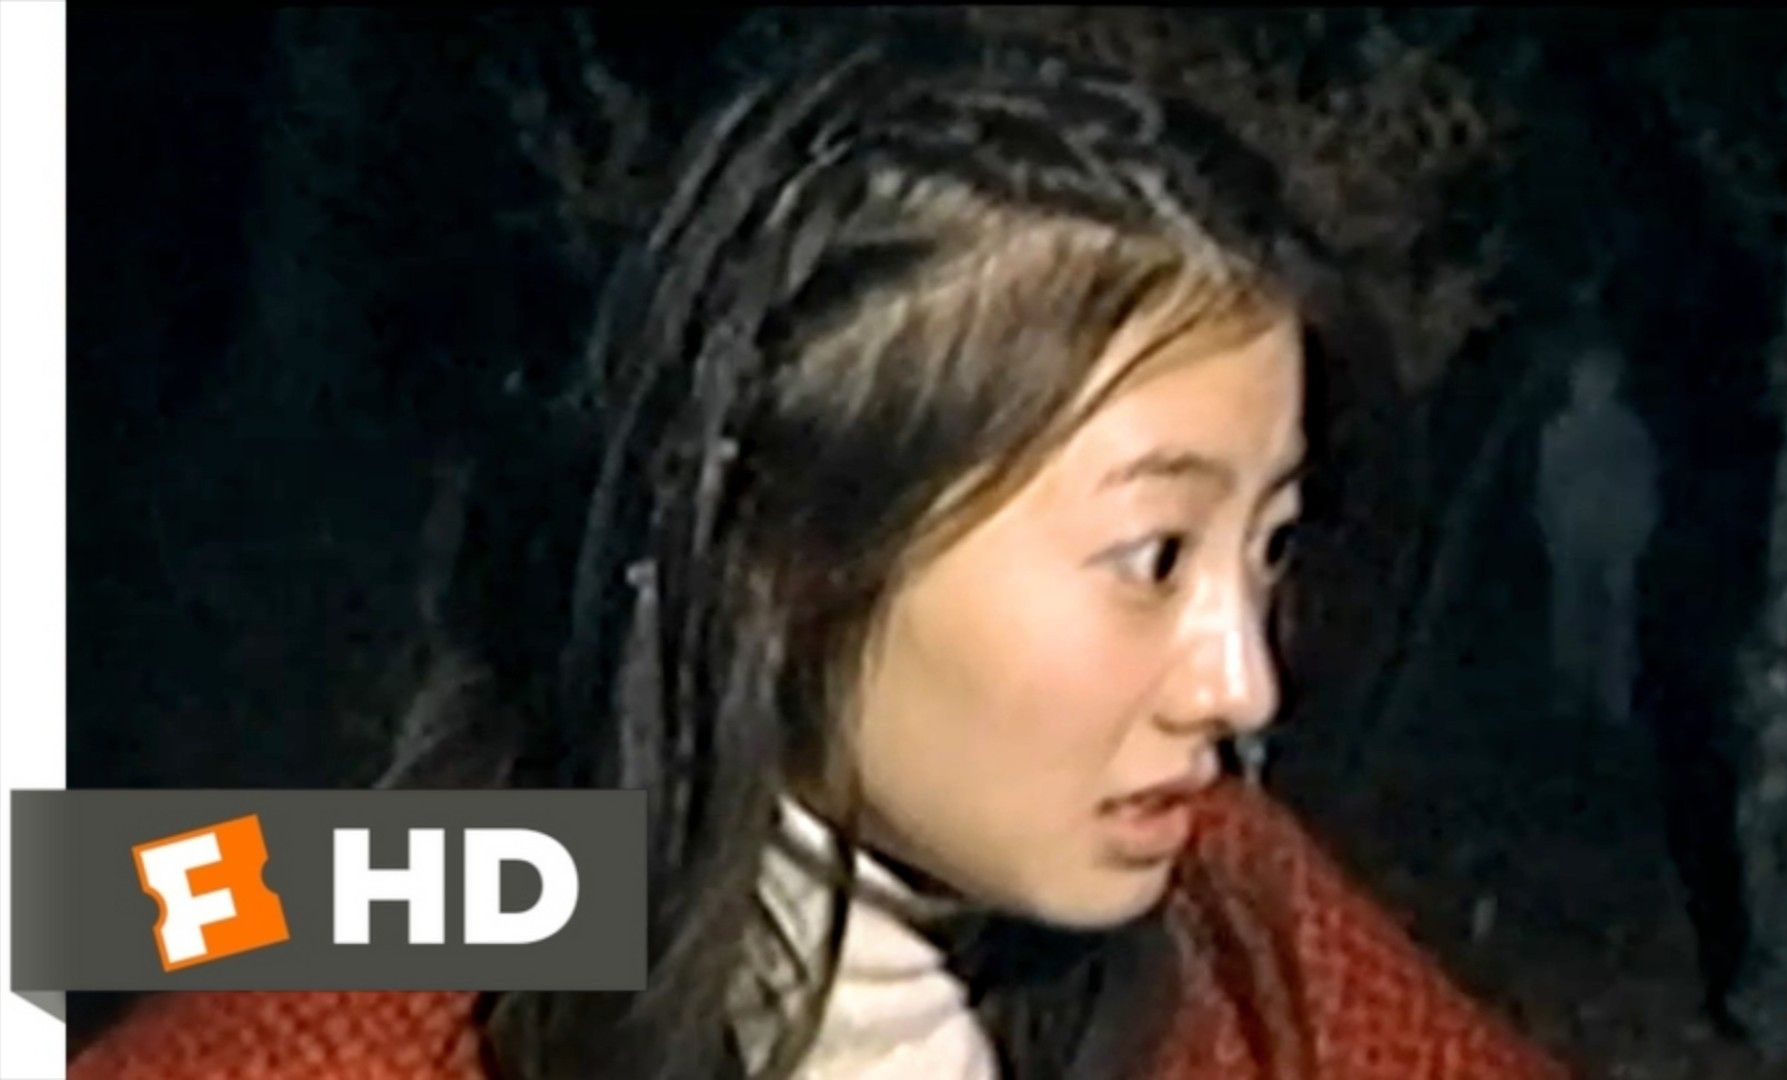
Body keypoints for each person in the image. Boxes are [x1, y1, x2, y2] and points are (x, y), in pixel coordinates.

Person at [71, 22, 1566, 1080]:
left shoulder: (1242, 926)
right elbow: (113, 896)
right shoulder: (382, 940)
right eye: (1154, 556)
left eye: (1273, 544)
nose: (1241, 686)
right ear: (780, 547)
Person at [1535, 345, 1660, 728]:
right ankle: (1569, 698)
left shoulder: (1628, 432)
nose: (1586, 385)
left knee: (1616, 622)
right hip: (1572, 539)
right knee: (1570, 622)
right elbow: (1547, 489)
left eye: (1596, 377)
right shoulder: (1559, 430)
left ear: (1612, 383)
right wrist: (1551, 533)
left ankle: (1614, 702)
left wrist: (1635, 539)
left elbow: (1644, 489)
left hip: (1616, 541)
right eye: (1582, 377)